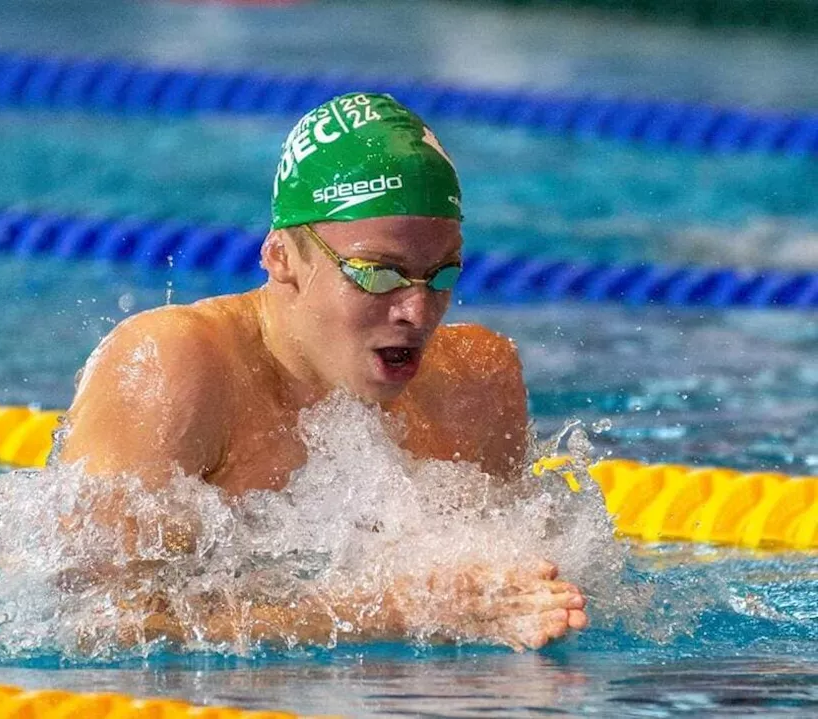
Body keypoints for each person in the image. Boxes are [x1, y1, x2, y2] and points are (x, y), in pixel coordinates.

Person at [57, 92, 588, 651]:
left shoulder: (476, 382)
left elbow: (516, 599)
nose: (416, 310)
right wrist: (393, 610)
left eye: (441, 274)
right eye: (379, 273)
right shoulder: (178, 366)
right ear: (281, 257)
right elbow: (97, 624)